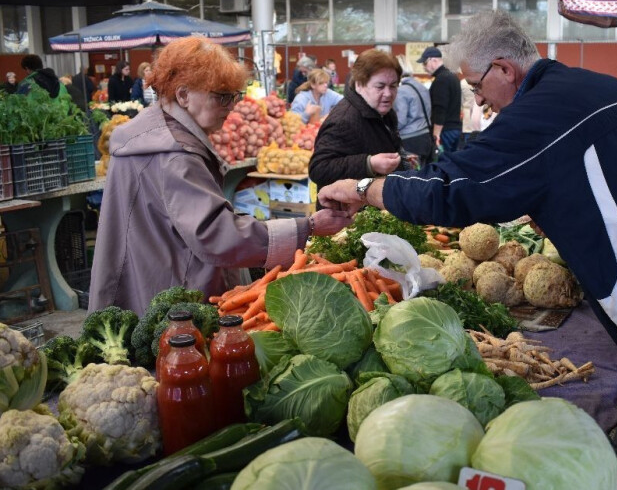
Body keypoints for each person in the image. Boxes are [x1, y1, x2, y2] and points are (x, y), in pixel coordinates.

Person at [318, 10, 617, 371]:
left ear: (504, 69)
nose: (481, 102)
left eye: (477, 87)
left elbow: (451, 189)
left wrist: (362, 187)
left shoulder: (537, 117)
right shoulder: (603, 88)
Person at [88, 36, 352, 316]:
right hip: (168, 299)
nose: (231, 106)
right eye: (221, 96)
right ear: (183, 95)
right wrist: (307, 227)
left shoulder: (151, 134)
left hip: (147, 283)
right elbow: (217, 235)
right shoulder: (175, 155)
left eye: (234, 96)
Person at [308, 49, 408, 209]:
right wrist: (369, 163)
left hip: (374, 211)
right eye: (380, 86)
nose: (388, 93)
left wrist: (401, 160)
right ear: (360, 84)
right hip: (345, 220)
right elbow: (319, 169)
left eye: (393, 86)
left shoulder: (384, 112)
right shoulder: (344, 120)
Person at [417, 47, 462, 153]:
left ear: (434, 60)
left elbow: (440, 108)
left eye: (424, 63)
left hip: (444, 131)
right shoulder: (452, 76)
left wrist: (436, 134)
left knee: (442, 164)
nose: (424, 67)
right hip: (455, 129)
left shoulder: (441, 79)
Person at [393, 55, 434, 165]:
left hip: (410, 140)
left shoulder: (401, 91)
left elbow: (401, 120)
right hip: (426, 137)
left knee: (412, 176)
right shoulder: (422, 87)